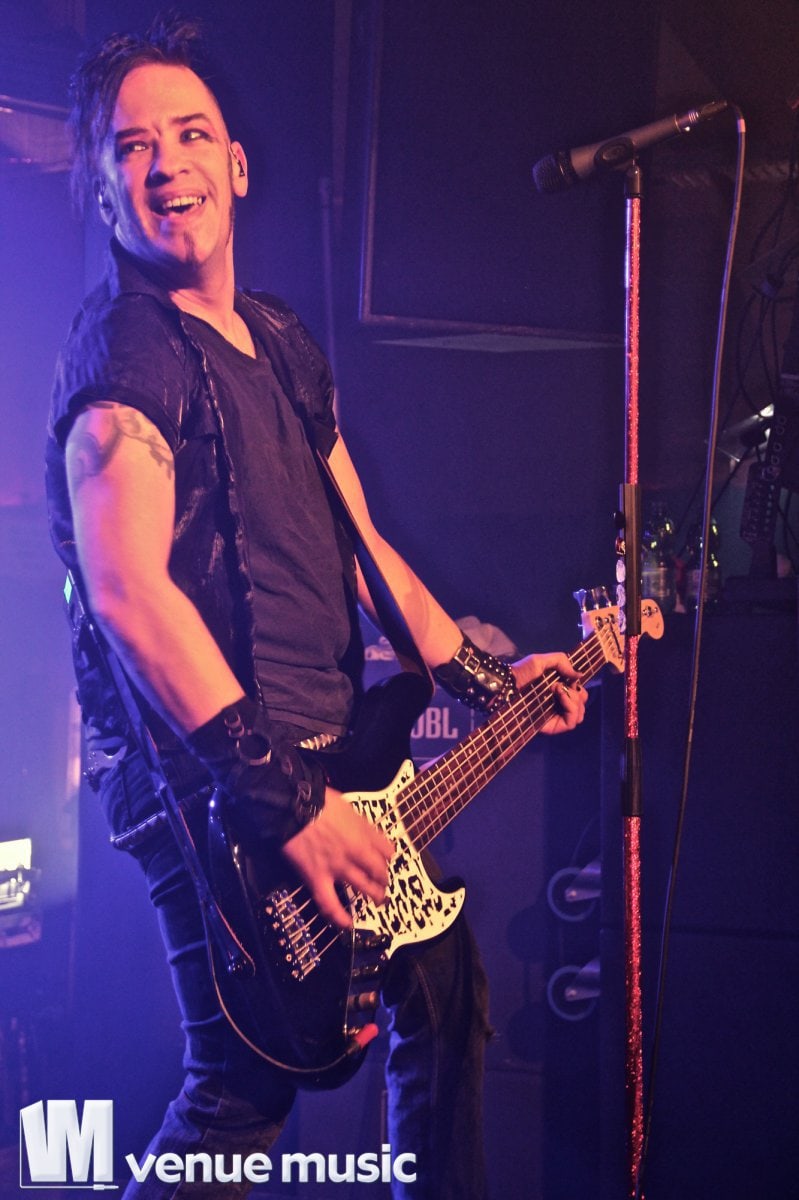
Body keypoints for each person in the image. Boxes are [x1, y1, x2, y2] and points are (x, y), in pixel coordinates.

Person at [45, 14, 587, 1199]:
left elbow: (363, 550)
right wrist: (284, 804)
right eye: (133, 148)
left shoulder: (282, 341)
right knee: (244, 1087)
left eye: (192, 135)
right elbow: (127, 588)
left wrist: (487, 681)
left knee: (442, 987)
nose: (167, 164)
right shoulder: (127, 352)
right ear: (103, 191)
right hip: (213, 779)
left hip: (333, 750)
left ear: (238, 164)